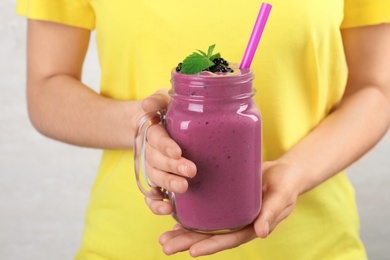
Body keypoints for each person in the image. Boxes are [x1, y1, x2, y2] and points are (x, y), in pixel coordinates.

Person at [17, 0, 390, 259]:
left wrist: (296, 172)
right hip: (126, 247)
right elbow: (46, 87)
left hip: (311, 248)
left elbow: (377, 87)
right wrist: (143, 125)